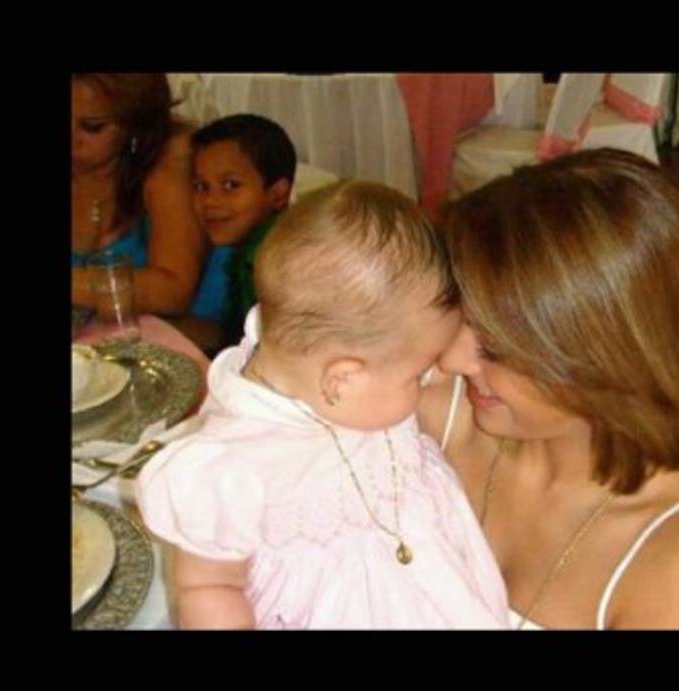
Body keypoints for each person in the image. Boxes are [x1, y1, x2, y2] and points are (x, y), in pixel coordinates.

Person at [136, 181, 509, 629]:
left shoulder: (325, 360)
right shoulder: (231, 468)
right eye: (419, 373)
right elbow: (207, 586)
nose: (436, 375)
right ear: (342, 379)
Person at [419, 148, 679, 629]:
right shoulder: (439, 409)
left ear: (610, 358)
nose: (451, 359)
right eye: (462, 317)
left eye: (496, 348)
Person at [71, 74, 206, 318]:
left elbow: (173, 292)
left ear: (135, 125)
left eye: (92, 127)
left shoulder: (170, 165)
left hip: (180, 341)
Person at [187, 114, 296, 347]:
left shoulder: (270, 261)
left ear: (277, 194)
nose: (209, 201)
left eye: (230, 185)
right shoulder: (238, 247)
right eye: (200, 186)